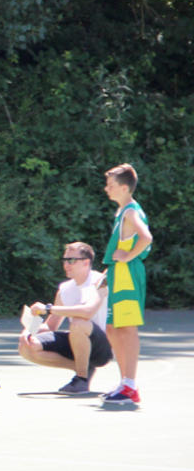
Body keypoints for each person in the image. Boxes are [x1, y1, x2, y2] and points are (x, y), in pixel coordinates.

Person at [18, 242, 112, 394]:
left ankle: (81, 379)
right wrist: (29, 331)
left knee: (78, 322)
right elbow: (51, 326)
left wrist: (47, 308)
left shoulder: (100, 281)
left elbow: (87, 312)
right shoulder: (64, 289)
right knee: (27, 347)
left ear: (86, 262)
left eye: (71, 260)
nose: (66, 265)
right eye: (64, 260)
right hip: (76, 341)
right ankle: (84, 368)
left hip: (101, 347)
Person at [100, 163, 153, 404]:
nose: (106, 189)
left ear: (124, 188)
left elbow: (146, 238)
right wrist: (107, 272)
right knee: (112, 328)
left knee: (127, 328)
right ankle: (124, 383)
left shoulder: (131, 212)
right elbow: (121, 247)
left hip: (129, 276)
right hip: (118, 274)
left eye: (110, 185)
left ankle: (130, 385)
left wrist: (128, 257)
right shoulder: (122, 212)